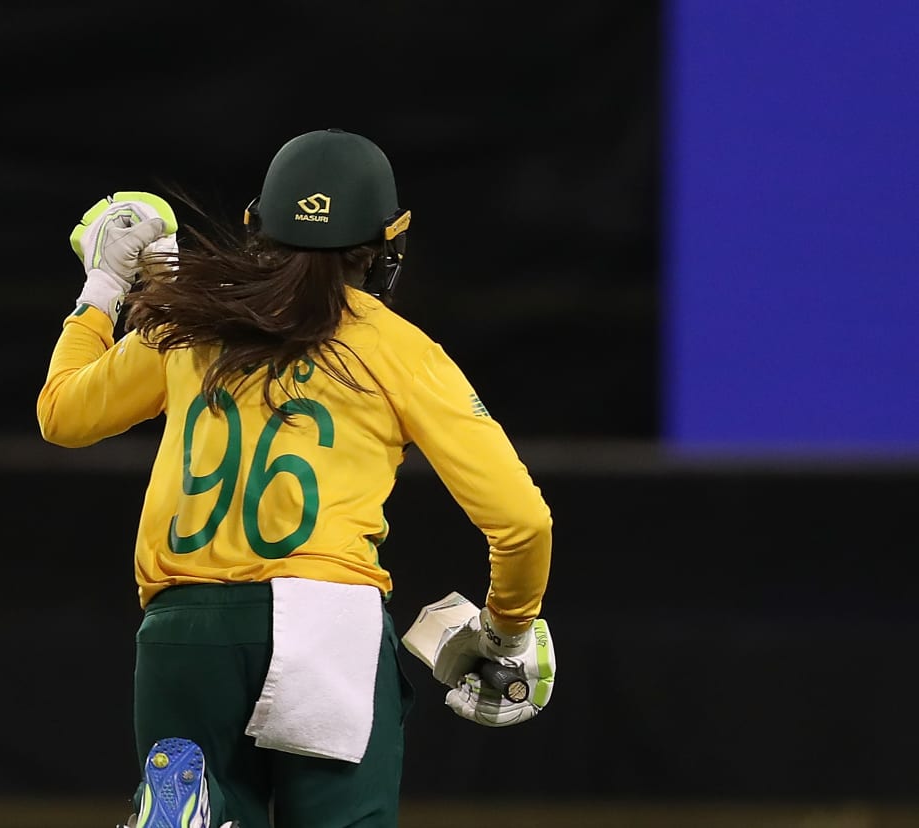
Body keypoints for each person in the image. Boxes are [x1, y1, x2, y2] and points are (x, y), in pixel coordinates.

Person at [36, 129, 558, 828]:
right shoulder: (399, 349)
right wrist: (506, 631)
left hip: (184, 627)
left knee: (204, 792)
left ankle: (193, 808)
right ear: (387, 242)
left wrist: (102, 286)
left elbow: (63, 415)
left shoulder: (194, 318)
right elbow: (523, 522)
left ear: (256, 227)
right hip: (328, 624)